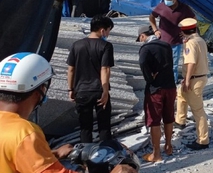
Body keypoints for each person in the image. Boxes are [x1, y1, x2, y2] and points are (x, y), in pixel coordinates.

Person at [0, 52, 137, 173]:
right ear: (40, 90)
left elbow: (11, 154)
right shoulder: (24, 133)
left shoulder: (13, 132)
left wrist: (54, 154)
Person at [67, 14, 114, 143]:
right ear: (102, 30)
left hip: (81, 91)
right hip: (99, 91)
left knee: (85, 128)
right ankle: (105, 157)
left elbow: (71, 69)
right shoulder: (106, 46)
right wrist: (105, 92)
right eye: (109, 30)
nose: (109, 33)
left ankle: (86, 159)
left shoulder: (76, 45)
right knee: (104, 127)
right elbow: (105, 69)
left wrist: (70, 89)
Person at [137, 25, 177, 162]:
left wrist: (149, 77)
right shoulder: (166, 45)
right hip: (170, 86)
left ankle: (156, 154)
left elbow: (142, 62)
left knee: (154, 120)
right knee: (168, 117)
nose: (141, 41)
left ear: (143, 36)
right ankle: (169, 146)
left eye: (140, 38)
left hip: (156, 89)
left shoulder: (146, 48)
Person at [175, 18, 210, 150]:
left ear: (183, 31)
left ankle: (203, 140)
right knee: (181, 95)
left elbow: (191, 63)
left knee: (198, 111)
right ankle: (180, 120)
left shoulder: (190, 43)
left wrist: (187, 80)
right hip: (200, 77)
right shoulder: (200, 40)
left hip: (194, 79)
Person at [149, 0, 196, 84]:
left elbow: (194, 20)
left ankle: (172, 85)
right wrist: (155, 30)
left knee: (173, 65)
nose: (167, 1)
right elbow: (152, 17)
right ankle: (160, 83)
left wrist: (187, 33)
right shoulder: (161, 7)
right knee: (160, 63)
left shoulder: (184, 8)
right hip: (162, 41)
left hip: (176, 42)